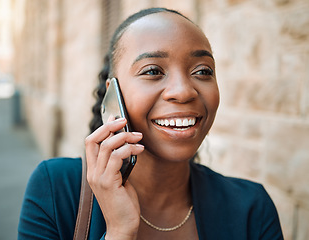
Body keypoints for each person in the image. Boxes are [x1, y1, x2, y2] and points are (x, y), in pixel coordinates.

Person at [18, 8, 283, 240]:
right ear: (113, 95)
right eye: (153, 71)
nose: (183, 91)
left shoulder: (252, 208)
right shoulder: (57, 189)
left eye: (202, 71)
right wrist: (119, 233)